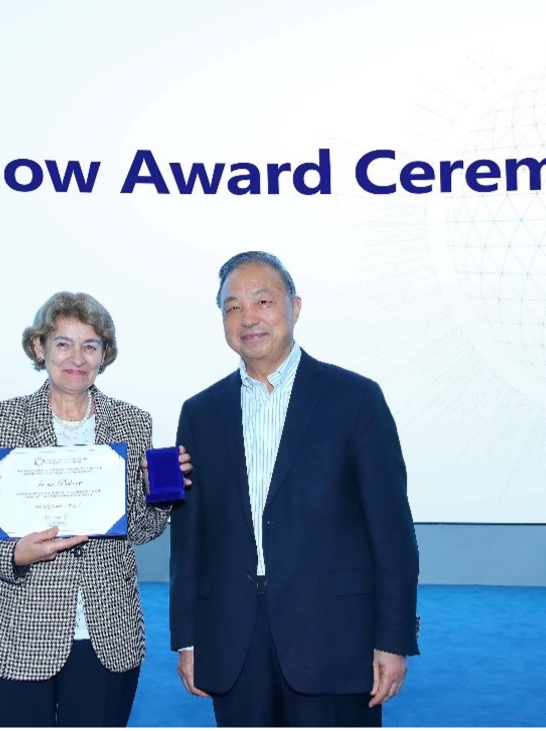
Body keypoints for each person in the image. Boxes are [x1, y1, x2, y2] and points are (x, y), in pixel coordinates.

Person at [169, 251, 420, 727]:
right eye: (232, 307)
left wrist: (393, 638)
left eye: (262, 301)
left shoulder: (356, 398)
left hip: (334, 636)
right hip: (234, 639)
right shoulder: (201, 412)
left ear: (295, 308)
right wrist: (188, 637)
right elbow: (190, 539)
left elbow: (392, 532)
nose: (248, 318)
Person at [0, 291, 187, 727]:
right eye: (63, 343)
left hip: (107, 633)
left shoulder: (132, 422)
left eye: (90, 345)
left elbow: (140, 529)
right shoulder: (1, 420)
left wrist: (159, 494)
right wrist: (12, 554)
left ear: (104, 354)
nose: (77, 358)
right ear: (39, 348)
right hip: (15, 631)